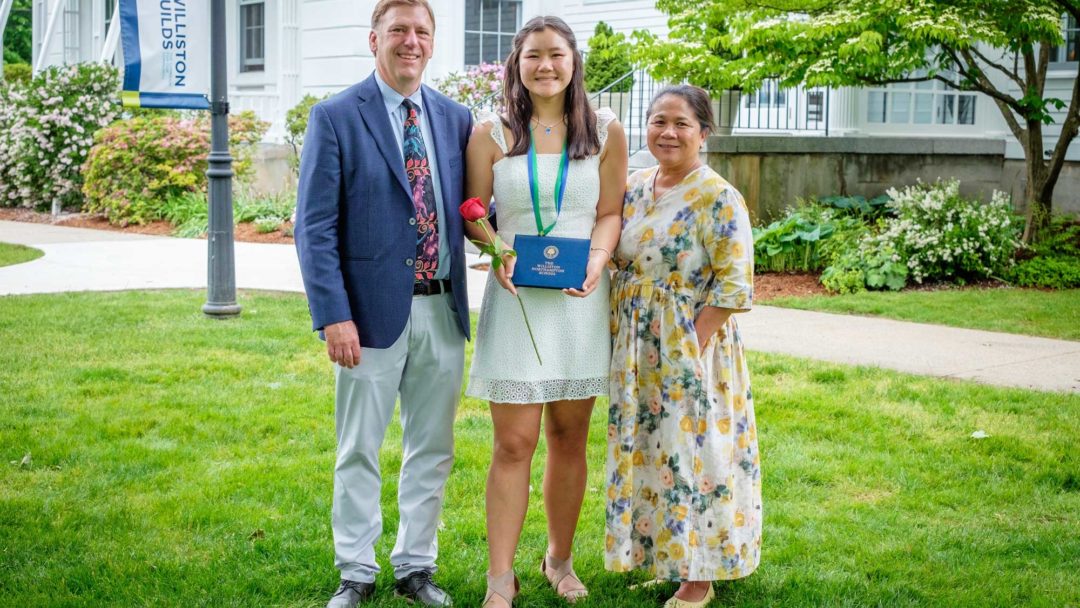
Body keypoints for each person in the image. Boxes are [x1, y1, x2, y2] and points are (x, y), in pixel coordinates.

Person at [293, 1, 472, 606]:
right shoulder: (337, 116)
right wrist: (334, 314)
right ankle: (356, 571)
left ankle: (416, 567)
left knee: (433, 447)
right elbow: (314, 227)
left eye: (422, 31)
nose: (411, 42)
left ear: (433, 42)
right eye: (399, 30)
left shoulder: (454, 118)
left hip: (442, 311)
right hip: (366, 316)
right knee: (359, 448)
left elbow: (473, 210)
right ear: (374, 39)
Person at [462, 15, 628, 608]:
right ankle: (499, 579)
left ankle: (559, 559)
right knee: (513, 443)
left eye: (556, 54)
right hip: (515, 302)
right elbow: (476, 213)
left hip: (579, 300)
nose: (546, 66)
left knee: (568, 437)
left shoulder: (606, 131)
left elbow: (610, 210)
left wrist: (599, 258)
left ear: (573, 60)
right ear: (516, 62)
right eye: (534, 55)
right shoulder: (490, 132)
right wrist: (496, 250)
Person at [604, 85, 761, 608]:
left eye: (681, 124)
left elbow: (735, 286)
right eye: (657, 121)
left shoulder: (718, 196)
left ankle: (701, 575)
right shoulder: (633, 186)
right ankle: (668, 556)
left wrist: (691, 343)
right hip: (637, 348)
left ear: (703, 133)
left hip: (692, 344)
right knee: (653, 451)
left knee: (695, 455)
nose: (667, 132)